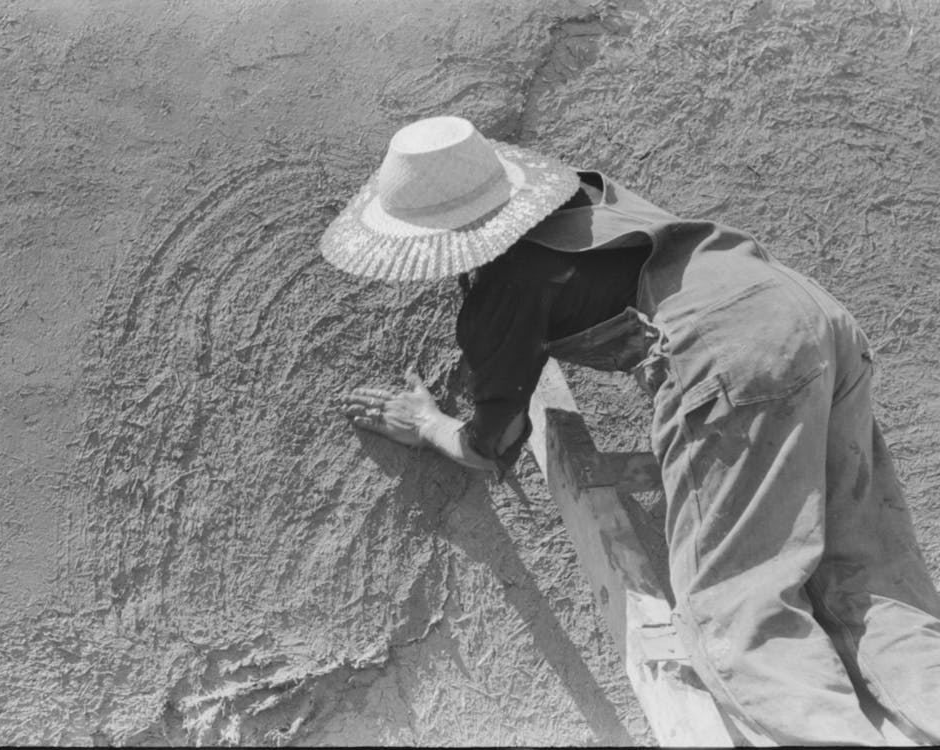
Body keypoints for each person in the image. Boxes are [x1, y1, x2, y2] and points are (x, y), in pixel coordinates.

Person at [319, 115, 940, 745]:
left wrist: (427, 423)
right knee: (868, 571)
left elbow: (491, 445)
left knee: (735, 611)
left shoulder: (505, 291)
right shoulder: (587, 195)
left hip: (733, 358)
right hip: (810, 314)